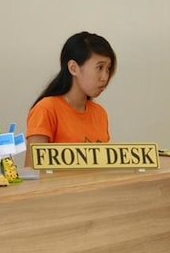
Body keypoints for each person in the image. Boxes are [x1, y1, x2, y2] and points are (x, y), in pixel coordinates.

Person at [25, 32, 116, 164]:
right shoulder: (46, 109)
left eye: (108, 69)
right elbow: (32, 169)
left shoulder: (100, 113)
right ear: (73, 68)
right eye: (99, 68)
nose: (105, 77)